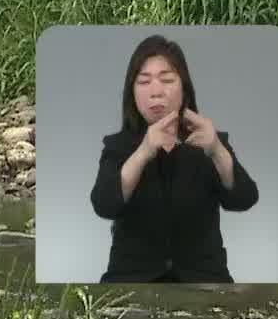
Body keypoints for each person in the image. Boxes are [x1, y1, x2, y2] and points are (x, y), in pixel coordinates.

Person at [89, 34, 259, 282]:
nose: (156, 92)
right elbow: (104, 205)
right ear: (132, 92)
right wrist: (144, 151)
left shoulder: (209, 141)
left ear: (184, 88)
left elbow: (244, 199)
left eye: (167, 80)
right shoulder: (118, 147)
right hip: (132, 282)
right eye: (144, 82)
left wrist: (217, 149)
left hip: (204, 283)